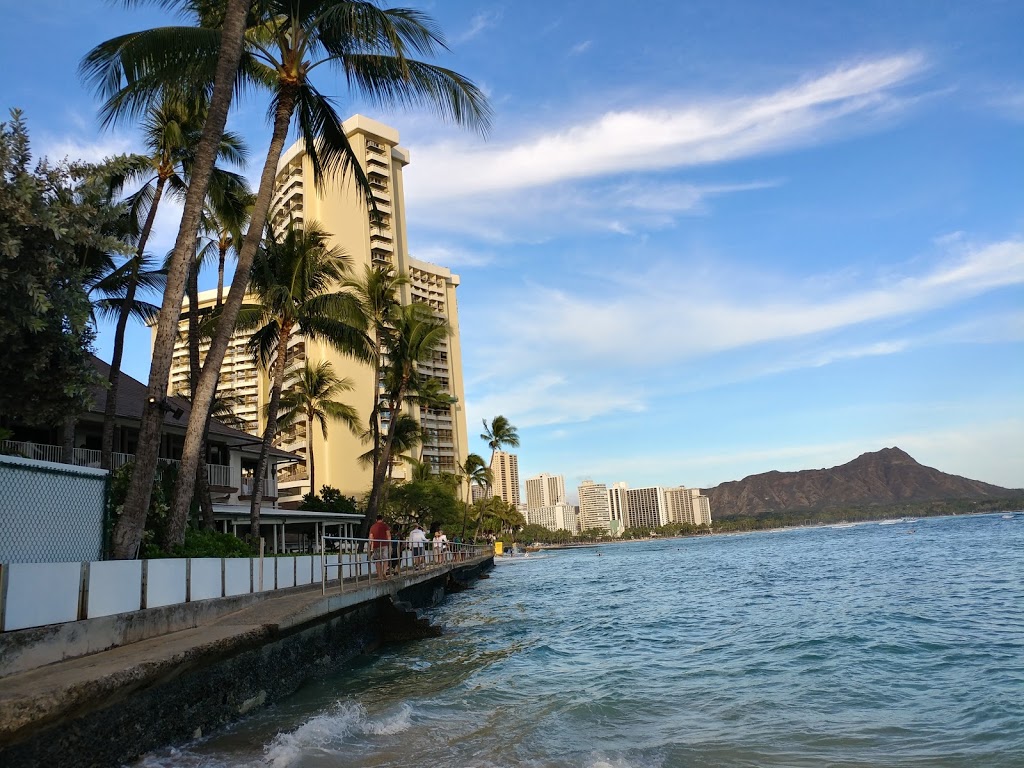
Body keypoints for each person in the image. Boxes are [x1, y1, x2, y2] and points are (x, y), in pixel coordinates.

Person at [368, 515, 391, 580]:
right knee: (385, 559)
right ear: (382, 519)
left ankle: (379, 576)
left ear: (376, 520)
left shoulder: (373, 527)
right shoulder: (385, 526)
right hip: (384, 544)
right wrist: (390, 544)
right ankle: (384, 572)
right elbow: (388, 535)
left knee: (378, 560)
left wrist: (371, 546)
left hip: (376, 545)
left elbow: (371, 537)